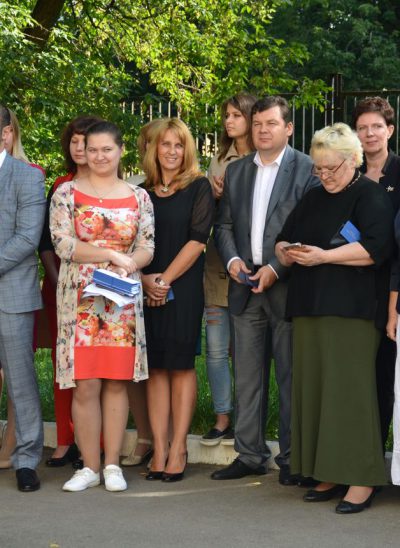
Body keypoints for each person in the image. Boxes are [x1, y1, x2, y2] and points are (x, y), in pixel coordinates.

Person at [275, 122, 393, 514]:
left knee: (350, 394)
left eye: (332, 168)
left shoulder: (370, 195)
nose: (324, 175)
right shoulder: (313, 196)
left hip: (352, 310)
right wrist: (286, 250)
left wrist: (324, 256)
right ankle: (328, 470)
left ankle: (361, 478)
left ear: (353, 161)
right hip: (309, 306)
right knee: (317, 392)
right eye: (319, 168)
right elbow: (283, 237)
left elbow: (376, 249)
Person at [212, 96, 319, 485]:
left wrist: (276, 267)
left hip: (286, 288)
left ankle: (291, 458)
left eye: (271, 123)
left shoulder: (307, 169)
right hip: (244, 287)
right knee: (247, 379)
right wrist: (231, 261)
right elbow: (223, 225)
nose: (262, 130)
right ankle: (249, 454)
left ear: (288, 128)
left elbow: (310, 229)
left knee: (291, 379)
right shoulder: (237, 170)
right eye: (257, 123)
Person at [50, 121, 154, 492]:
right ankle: (89, 467)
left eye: (106, 149)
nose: (99, 156)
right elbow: (63, 244)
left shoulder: (139, 197)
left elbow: (147, 246)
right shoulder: (66, 193)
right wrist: (111, 254)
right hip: (80, 301)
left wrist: (129, 263)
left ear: (121, 150)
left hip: (120, 302)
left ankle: (112, 465)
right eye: (92, 149)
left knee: (116, 384)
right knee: (85, 385)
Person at [142, 117, 214, 482]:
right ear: (153, 149)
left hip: (182, 288)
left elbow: (197, 240)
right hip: (144, 286)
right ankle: (160, 447)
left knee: (181, 365)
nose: (172, 151)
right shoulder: (140, 192)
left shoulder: (199, 187)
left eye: (179, 144)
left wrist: (164, 280)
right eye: (166, 144)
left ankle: (179, 447)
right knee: (155, 367)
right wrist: (145, 281)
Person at [38, 115, 103, 468]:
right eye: (74, 141)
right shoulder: (61, 186)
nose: (79, 147)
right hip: (60, 289)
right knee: (64, 366)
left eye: (85, 141)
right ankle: (65, 439)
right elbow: (46, 243)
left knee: (97, 368)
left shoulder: (111, 187)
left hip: (100, 290)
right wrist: (60, 281)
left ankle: (95, 443)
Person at [201, 93, 256, 447]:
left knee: (248, 351)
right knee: (216, 349)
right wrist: (216, 197)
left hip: (252, 266)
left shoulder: (265, 157)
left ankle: (250, 419)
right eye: (226, 115)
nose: (229, 121)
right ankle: (222, 417)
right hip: (217, 265)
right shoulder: (219, 160)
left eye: (237, 115)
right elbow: (205, 215)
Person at [0, 104, 46, 491]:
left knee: (20, 381)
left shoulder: (27, 177)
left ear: (6, 134)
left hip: (11, 294)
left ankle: (27, 460)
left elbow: (28, 238)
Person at [352, 97, 400, 450]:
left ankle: (377, 454)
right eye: (362, 128)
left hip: (391, 288)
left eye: (376, 127)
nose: (369, 134)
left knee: (385, 375)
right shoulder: (348, 174)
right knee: (357, 375)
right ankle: (356, 453)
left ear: (390, 131)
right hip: (354, 286)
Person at [122, 119, 164, 467]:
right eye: (148, 143)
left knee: (165, 366)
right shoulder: (131, 188)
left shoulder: (189, 185)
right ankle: (145, 436)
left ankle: (165, 439)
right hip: (132, 282)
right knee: (132, 368)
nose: (155, 150)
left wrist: (160, 280)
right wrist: (143, 277)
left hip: (170, 285)